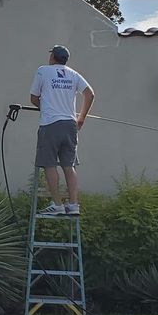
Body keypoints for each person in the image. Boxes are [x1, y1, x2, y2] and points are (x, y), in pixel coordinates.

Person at [29, 44, 94, 216]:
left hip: (50, 124)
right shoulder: (73, 74)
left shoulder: (43, 71)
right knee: (68, 165)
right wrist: (81, 118)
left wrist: (46, 106)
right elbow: (90, 94)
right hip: (70, 125)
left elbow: (34, 98)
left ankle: (57, 204)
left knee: (49, 164)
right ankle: (73, 205)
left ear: (52, 57)